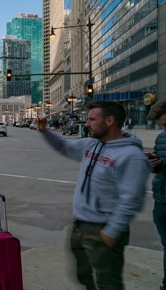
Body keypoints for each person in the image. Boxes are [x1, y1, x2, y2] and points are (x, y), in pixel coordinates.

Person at [36, 100, 150, 289]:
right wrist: (45, 132)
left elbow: (131, 200)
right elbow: (64, 147)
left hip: (104, 229)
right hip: (80, 226)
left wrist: (112, 231)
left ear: (110, 121)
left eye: (91, 119)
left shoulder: (131, 156)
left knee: (108, 283)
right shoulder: (91, 145)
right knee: (83, 275)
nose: (86, 124)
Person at [146, 100, 166, 290]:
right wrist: (154, 163)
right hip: (161, 199)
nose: (164, 129)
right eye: (161, 126)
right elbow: (160, 168)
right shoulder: (161, 138)